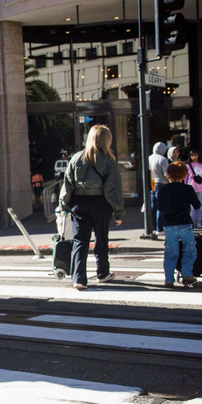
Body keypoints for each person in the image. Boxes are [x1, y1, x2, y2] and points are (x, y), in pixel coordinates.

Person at [59, 124, 124, 290]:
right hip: (101, 202)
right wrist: (118, 212)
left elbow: (67, 185)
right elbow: (113, 188)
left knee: (80, 240)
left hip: (79, 202)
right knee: (101, 238)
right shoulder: (109, 160)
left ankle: (79, 278)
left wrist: (64, 205)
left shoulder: (76, 158)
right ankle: (102, 273)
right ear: (106, 140)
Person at [158, 161, 201, 288]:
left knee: (171, 253)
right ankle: (187, 275)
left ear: (168, 175)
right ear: (184, 175)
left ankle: (169, 280)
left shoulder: (162, 191)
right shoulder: (188, 189)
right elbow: (197, 206)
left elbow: (160, 208)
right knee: (189, 251)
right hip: (185, 223)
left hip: (169, 225)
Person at [148, 142, 170, 233]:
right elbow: (166, 173)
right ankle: (160, 227)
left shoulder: (149, 158)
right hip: (162, 184)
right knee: (161, 207)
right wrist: (170, 181)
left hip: (153, 183)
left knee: (153, 206)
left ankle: (153, 226)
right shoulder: (163, 159)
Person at [185, 150, 202, 228]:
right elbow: (186, 178)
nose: (194, 157)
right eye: (192, 155)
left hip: (200, 187)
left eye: (195, 155)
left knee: (199, 206)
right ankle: (192, 221)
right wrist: (185, 187)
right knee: (191, 207)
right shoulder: (187, 166)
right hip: (190, 187)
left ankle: (199, 221)